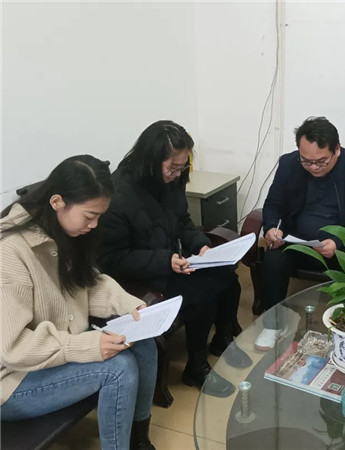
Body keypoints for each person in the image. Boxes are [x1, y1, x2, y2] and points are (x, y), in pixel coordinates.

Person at [0, 155, 158, 450]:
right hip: (12, 381)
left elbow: (86, 283)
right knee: (118, 369)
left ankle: (139, 440)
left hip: (53, 353)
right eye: (89, 216)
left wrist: (128, 305)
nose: (94, 225)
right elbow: (13, 349)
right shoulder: (10, 252)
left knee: (144, 342)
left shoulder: (62, 230)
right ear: (57, 202)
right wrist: (84, 346)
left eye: (99, 216)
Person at [97, 120, 250, 399]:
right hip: (138, 276)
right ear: (150, 160)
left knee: (227, 275)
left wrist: (201, 245)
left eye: (182, 167)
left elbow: (182, 221)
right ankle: (196, 367)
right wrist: (165, 260)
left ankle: (223, 340)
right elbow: (112, 259)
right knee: (202, 291)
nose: (178, 174)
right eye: (173, 168)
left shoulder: (171, 180)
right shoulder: (117, 196)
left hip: (170, 260)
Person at [255, 116, 345, 351]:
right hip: (297, 242)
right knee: (272, 259)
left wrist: (339, 242)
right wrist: (272, 227)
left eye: (321, 161)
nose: (313, 167)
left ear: (337, 150)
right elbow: (273, 205)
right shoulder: (289, 164)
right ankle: (274, 325)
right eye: (306, 161)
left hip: (338, 249)